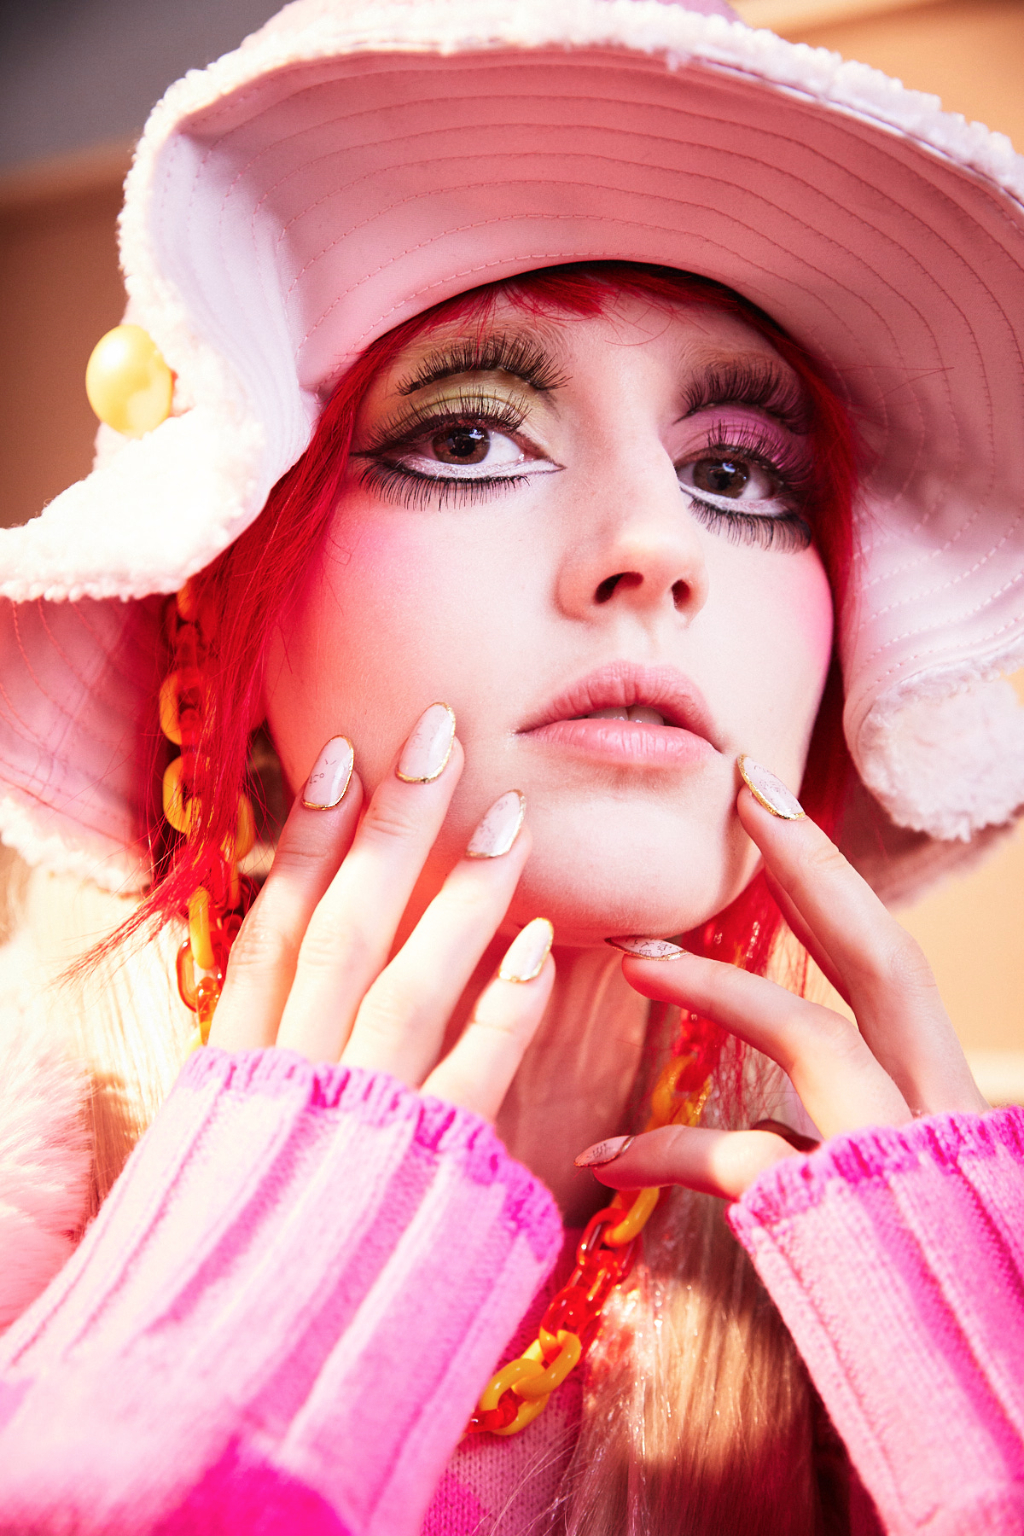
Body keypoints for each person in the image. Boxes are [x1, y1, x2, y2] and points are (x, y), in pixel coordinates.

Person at [0, 1, 1023, 1532]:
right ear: (221, 616)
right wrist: (201, 1393)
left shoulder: (885, 1259)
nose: (657, 548)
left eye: (738, 473)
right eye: (469, 438)